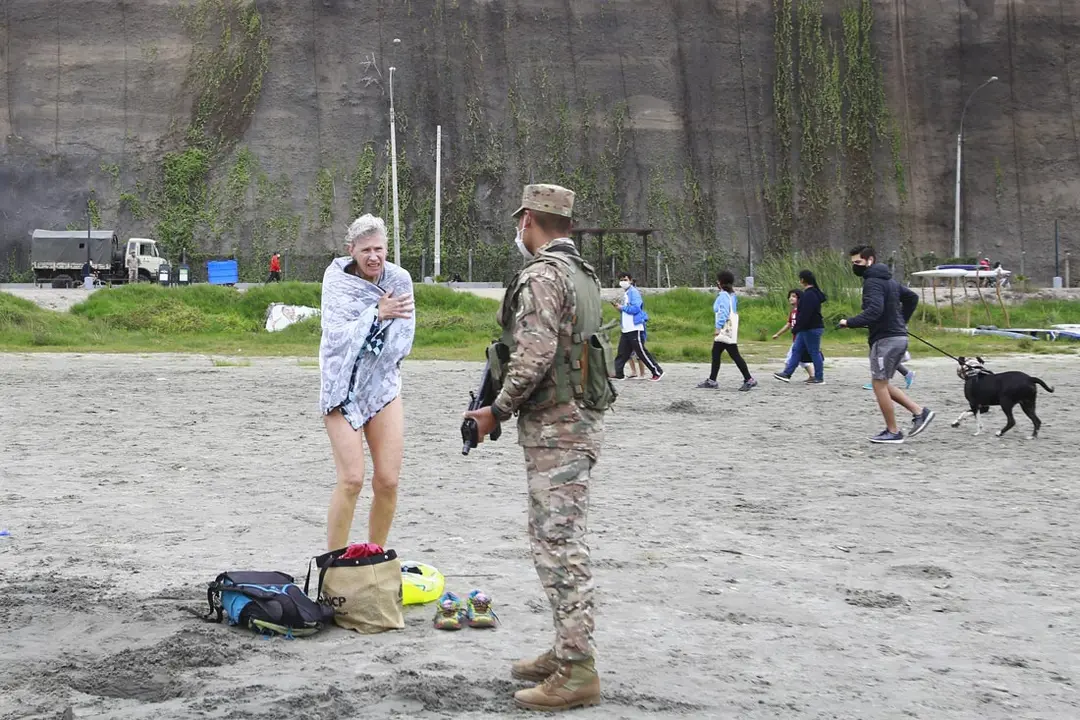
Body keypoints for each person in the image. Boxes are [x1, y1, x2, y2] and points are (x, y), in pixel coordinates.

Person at [462, 184, 612, 712]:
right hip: (576, 421)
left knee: (559, 542)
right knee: (553, 536)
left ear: (528, 220)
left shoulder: (543, 276)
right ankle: (566, 650)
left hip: (557, 427)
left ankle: (578, 670)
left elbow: (533, 354)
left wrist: (494, 412)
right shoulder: (583, 275)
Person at [319, 215, 415, 550]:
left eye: (379, 249)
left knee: (388, 481)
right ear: (352, 250)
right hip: (342, 388)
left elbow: (402, 341)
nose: (373, 256)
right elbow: (335, 337)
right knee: (352, 479)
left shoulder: (400, 280)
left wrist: (376, 331)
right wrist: (376, 314)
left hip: (382, 387)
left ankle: (373, 557)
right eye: (365, 250)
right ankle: (333, 566)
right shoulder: (336, 280)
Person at [840, 245, 935, 444]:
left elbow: (874, 310)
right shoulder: (888, 280)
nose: (855, 266)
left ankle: (893, 431)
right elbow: (911, 297)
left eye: (858, 262)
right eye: (853, 263)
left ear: (870, 260)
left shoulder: (872, 282)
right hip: (895, 337)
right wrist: (901, 321)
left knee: (879, 384)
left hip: (886, 339)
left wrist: (849, 322)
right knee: (881, 383)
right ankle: (920, 412)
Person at [696, 271, 757, 391]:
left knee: (732, 354)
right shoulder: (732, 295)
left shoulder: (723, 296)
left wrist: (718, 327)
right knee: (718, 353)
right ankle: (712, 380)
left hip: (725, 329)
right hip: (730, 329)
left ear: (721, 282)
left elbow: (723, 312)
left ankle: (749, 379)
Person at [773, 270, 826, 384]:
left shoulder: (809, 295)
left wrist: (797, 327)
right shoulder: (813, 293)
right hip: (805, 328)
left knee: (814, 352)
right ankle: (787, 373)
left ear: (802, 280)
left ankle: (819, 377)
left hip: (811, 327)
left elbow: (805, 314)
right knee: (796, 350)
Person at [612, 272, 663, 381]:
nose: (623, 282)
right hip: (626, 329)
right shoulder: (626, 293)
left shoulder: (633, 293)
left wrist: (622, 308)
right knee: (622, 353)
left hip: (635, 328)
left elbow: (636, 308)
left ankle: (657, 371)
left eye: (625, 279)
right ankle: (618, 373)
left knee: (641, 352)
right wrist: (620, 308)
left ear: (630, 280)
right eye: (621, 280)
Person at [771, 289, 813, 380]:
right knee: (803, 361)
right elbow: (789, 324)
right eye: (790, 296)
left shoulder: (802, 311)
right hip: (796, 339)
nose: (791, 298)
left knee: (790, 358)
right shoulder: (793, 311)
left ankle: (786, 374)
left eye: (794, 296)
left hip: (801, 339)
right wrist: (778, 334)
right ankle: (812, 376)